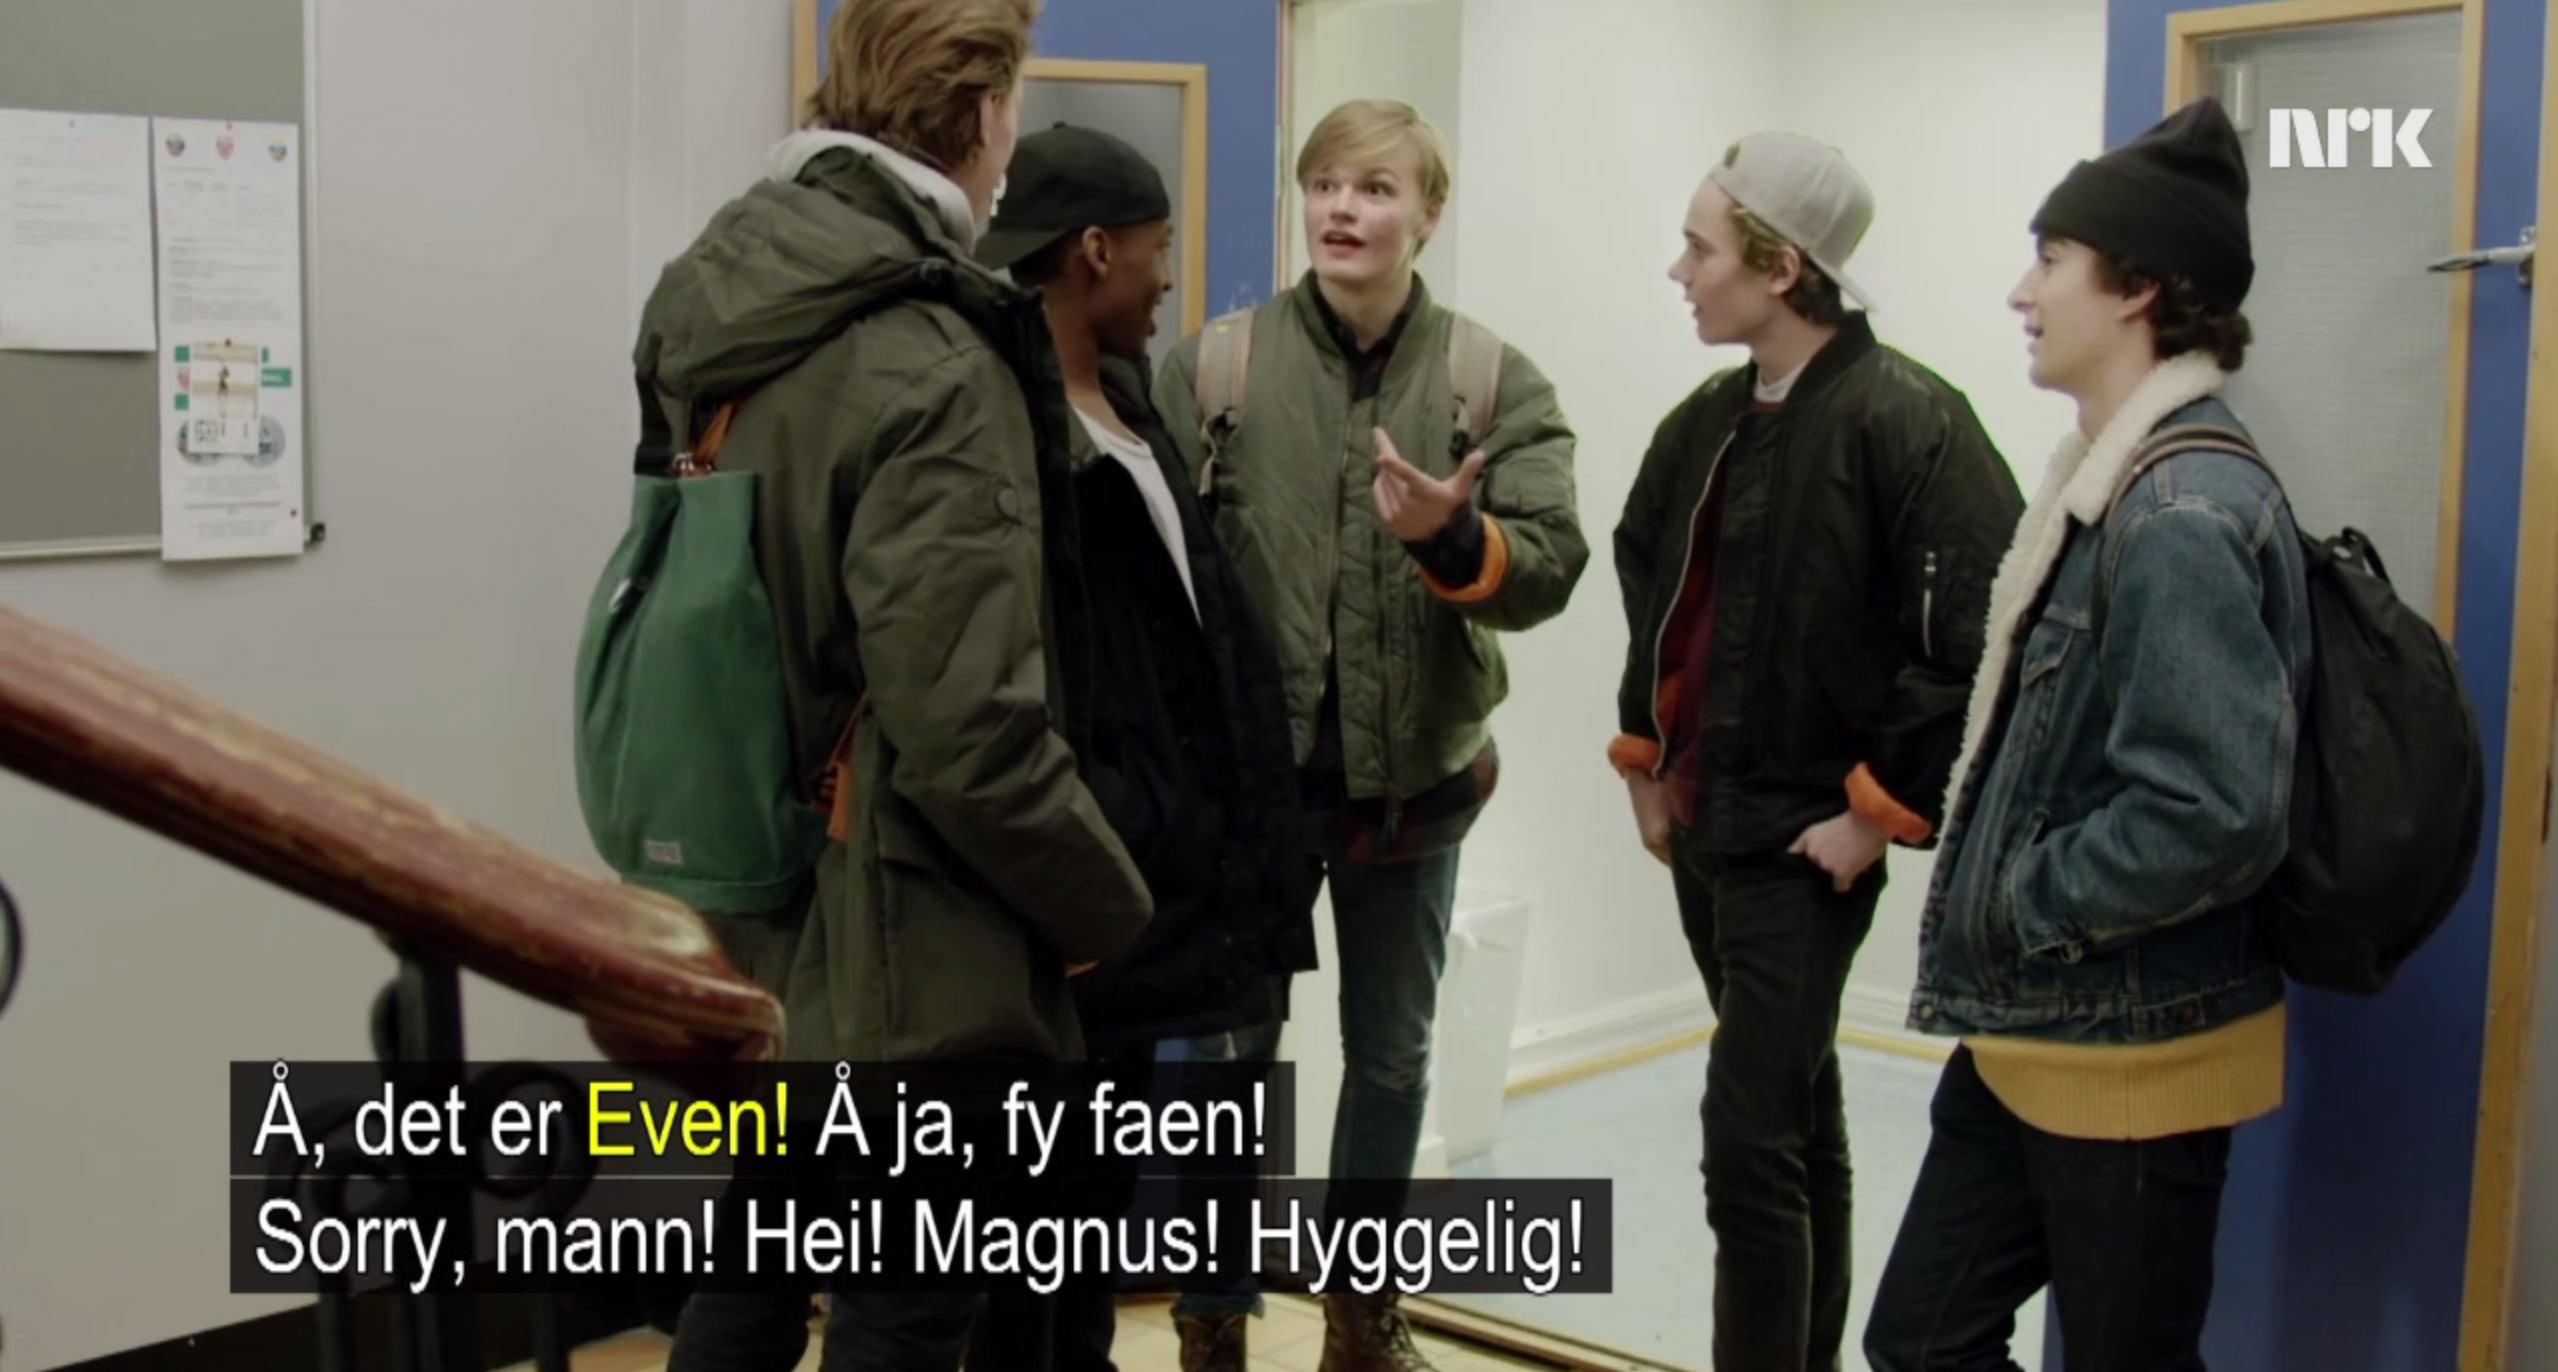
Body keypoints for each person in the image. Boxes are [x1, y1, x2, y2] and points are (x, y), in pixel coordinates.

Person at [628, 2, 1155, 1369]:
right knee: (905, 1303)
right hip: (909, 935)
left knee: (757, 1263)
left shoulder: (713, 301)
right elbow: (968, 724)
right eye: (1013, 104)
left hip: (750, 887)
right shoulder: (931, 357)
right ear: (978, 113)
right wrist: (1099, 905)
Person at [1862, 97, 2305, 1372]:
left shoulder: (2176, 510)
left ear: (2140, 288)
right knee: (1919, 1342)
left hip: (2128, 1047)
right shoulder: (2109, 482)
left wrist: (2018, 897)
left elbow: (2212, 810)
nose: (2021, 290)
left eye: (2050, 258)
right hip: (2038, 1030)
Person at [1152, 97, 1590, 1370]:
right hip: (1249, 794)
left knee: (1390, 1059)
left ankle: (1358, 1316)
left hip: (1414, 791)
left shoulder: (1490, 380)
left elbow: (1547, 565)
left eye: (1376, 187)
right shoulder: (1214, 369)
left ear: (1427, 214)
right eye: (1326, 183)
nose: (1343, 209)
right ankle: (1210, 1325)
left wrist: (1452, 537)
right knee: (1220, 1062)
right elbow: (1142, 566)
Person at [1609, 133, 2023, 1372]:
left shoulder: (1909, 421)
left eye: (1698, 247)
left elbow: (1980, 639)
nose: (1677, 269)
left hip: (1804, 849)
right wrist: (1643, 758)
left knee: (1745, 1145)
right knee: (1793, 1117)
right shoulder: (1704, 424)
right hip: (1702, 833)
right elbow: (1652, 585)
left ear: (1780, 267)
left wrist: (1874, 811)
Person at [960, 121, 1320, 1372]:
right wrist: (1107, 846)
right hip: (1078, 904)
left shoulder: (1126, 405)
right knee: (1036, 1229)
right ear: (1094, 250)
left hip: (1152, 897)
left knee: (1088, 1221)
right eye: (1158, 248)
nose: (1169, 277)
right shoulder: (1004, 428)